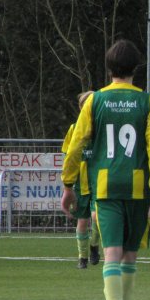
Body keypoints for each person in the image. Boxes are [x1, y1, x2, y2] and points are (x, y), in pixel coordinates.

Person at [61, 39, 150, 300]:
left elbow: (78, 143)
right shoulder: (148, 101)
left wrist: (68, 185)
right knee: (129, 258)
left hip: (105, 186)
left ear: (108, 69)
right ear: (136, 68)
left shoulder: (95, 101)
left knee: (111, 256)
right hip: (138, 186)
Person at [62, 90, 101, 269]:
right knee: (83, 221)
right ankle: (82, 257)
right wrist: (68, 182)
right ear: (81, 108)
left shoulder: (101, 128)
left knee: (97, 217)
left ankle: (94, 245)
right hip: (81, 183)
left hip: (99, 181)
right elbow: (68, 155)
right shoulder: (74, 128)